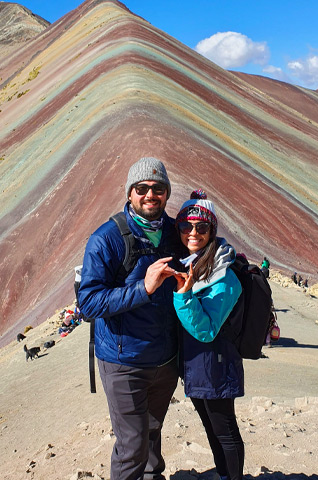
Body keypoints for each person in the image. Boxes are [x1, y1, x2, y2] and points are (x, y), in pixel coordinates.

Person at [78, 157, 182, 480]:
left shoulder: (174, 233)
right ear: (130, 193)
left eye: (158, 188)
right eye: (142, 188)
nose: (150, 194)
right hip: (124, 363)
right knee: (132, 444)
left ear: (166, 193)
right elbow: (88, 303)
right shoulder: (106, 239)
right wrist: (143, 288)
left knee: (151, 434)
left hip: (165, 361)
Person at [172, 190, 245, 480]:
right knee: (211, 426)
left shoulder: (223, 275)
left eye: (201, 228)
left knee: (225, 429)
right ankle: (224, 474)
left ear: (212, 230)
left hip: (215, 362)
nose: (193, 233)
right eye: (186, 226)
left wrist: (184, 295)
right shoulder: (192, 262)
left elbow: (206, 330)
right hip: (197, 365)